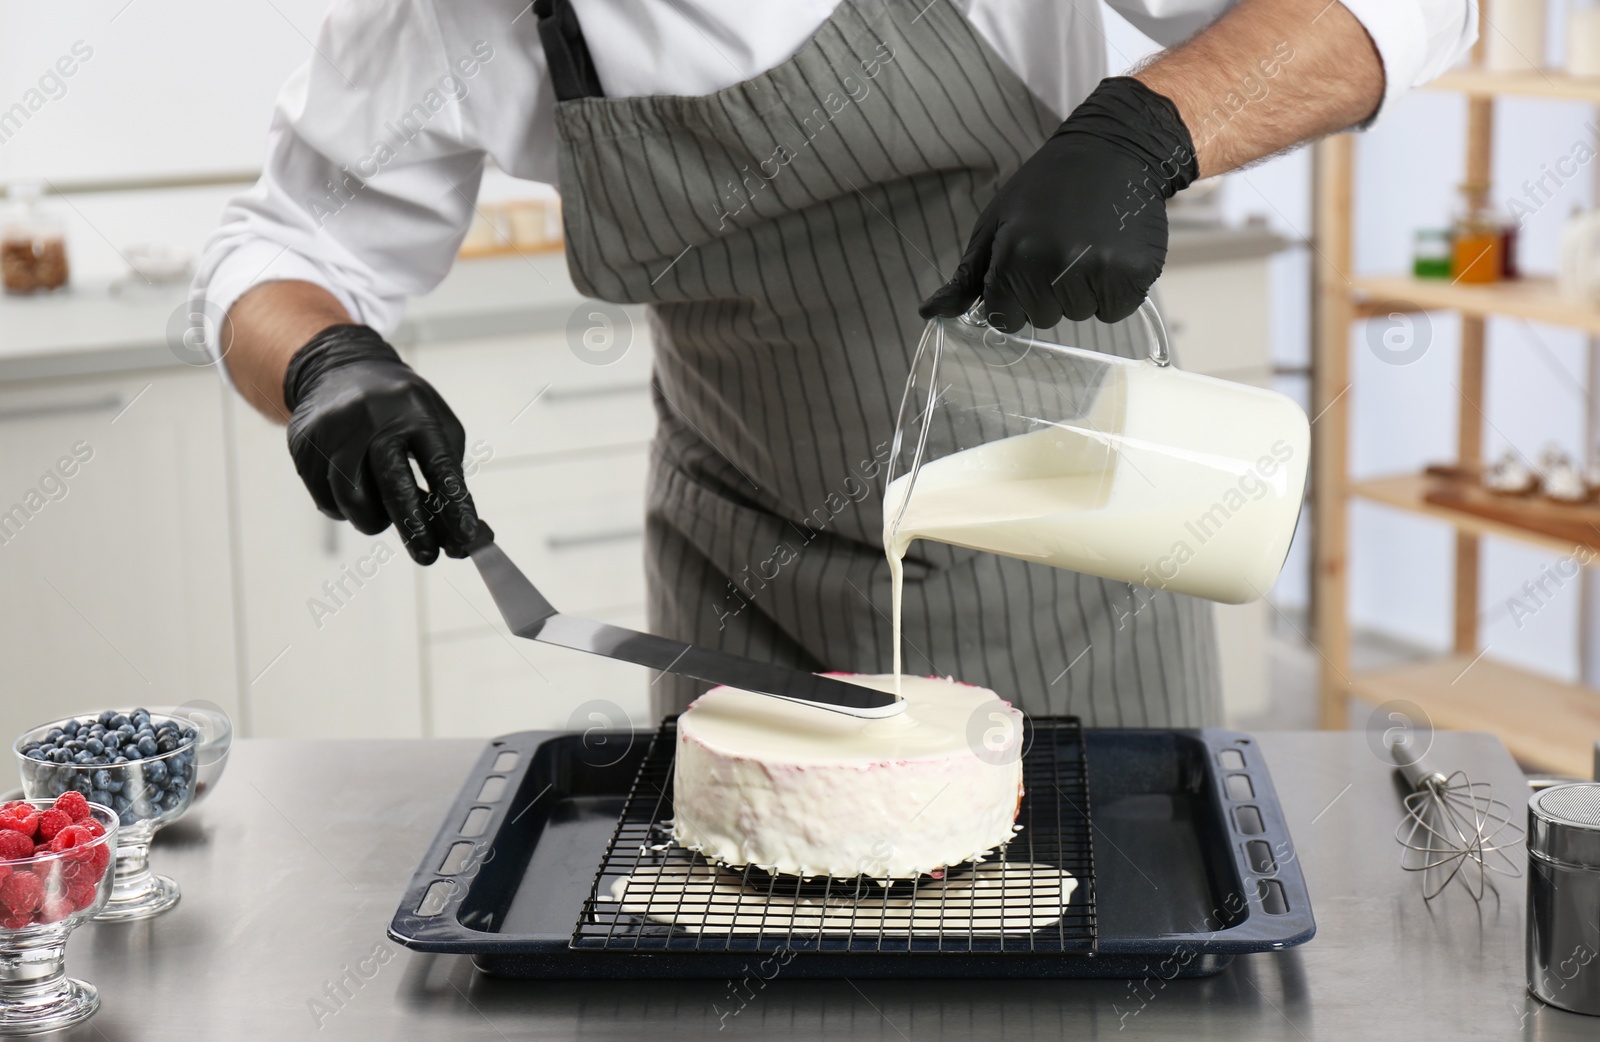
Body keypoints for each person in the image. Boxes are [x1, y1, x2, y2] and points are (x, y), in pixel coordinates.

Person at [194, 0, 1475, 726]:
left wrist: (1151, 127)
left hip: (1089, 568)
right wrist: (324, 358)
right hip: (741, 596)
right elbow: (282, 242)